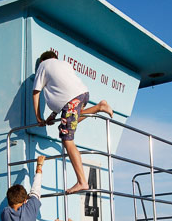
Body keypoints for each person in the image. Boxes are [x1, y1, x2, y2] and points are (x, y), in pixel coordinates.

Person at [32, 50, 113, 194]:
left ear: (43, 61)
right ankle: (99, 106)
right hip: (82, 95)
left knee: (67, 139)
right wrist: (53, 115)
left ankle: (82, 182)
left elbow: (36, 92)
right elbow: (63, 91)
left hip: (71, 101)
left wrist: (38, 117)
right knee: (70, 122)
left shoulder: (43, 65)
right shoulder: (63, 64)